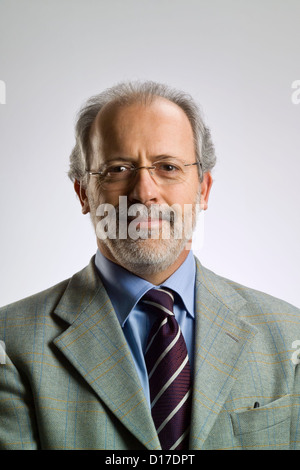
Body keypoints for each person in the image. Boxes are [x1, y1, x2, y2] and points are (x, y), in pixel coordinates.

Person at [0, 81, 299, 451]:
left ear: (203, 190)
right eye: (118, 168)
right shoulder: (9, 344)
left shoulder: (289, 336)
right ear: (82, 193)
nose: (143, 192)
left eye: (168, 166)